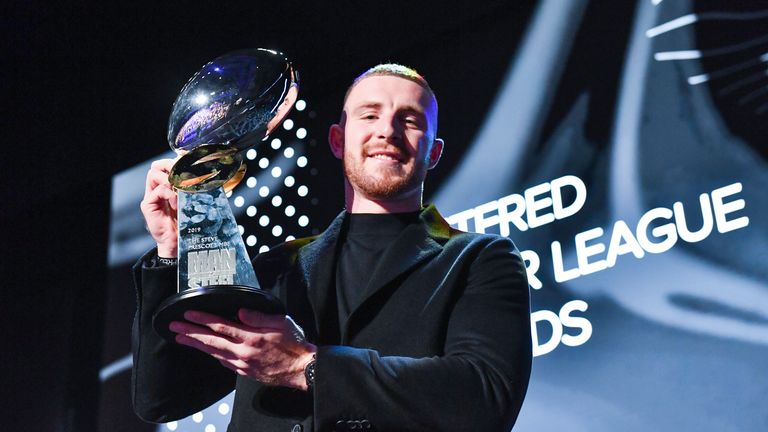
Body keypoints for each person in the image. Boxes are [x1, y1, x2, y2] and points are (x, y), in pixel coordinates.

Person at [133, 64, 532, 432]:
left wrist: (306, 366)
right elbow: (164, 399)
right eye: (370, 115)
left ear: (434, 153)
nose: (387, 131)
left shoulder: (481, 259)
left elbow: (486, 395)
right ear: (338, 140)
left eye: (409, 120)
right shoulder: (275, 268)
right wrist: (172, 250)